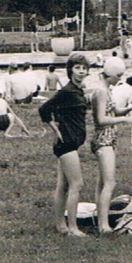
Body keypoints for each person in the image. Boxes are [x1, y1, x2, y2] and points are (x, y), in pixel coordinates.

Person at [39, 53, 91, 237]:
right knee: (77, 184)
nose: (81, 71)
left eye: (84, 68)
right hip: (66, 143)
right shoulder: (67, 91)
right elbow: (44, 109)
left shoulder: (77, 91)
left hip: (70, 143)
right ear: (70, 70)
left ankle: (60, 225)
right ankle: (73, 228)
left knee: (63, 185)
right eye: (77, 68)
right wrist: (56, 129)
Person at [90, 56, 132, 234]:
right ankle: (103, 225)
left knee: (102, 183)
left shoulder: (105, 89)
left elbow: (112, 110)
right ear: (110, 75)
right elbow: (101, 119)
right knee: (110, 182)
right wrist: (124, 119)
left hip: (107, 139)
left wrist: (127, 109)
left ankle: (100, 219)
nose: (120, 79)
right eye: (118, 75)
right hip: (104, 139)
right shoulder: (101, 92)